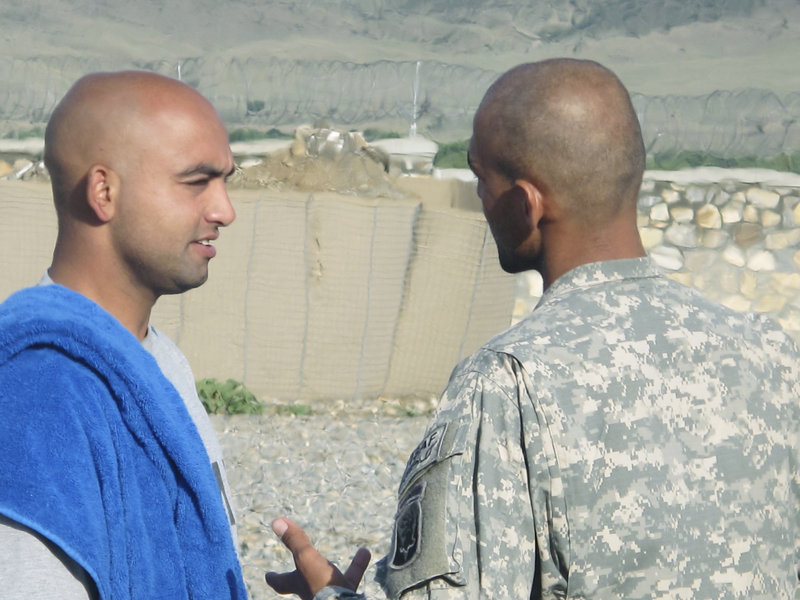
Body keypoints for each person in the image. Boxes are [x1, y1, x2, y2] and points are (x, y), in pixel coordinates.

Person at [265, 58, 800, 599]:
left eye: (481, 177)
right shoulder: (771, 353)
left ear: (526, 204)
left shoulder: (508, 382)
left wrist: (331, 595)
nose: (479, 197)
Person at [0, 71, 246, 599]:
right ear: (103, 191)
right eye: (196, 181)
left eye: (226, 180)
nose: (224, 210)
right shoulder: (36, 397)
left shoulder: (155, 364)